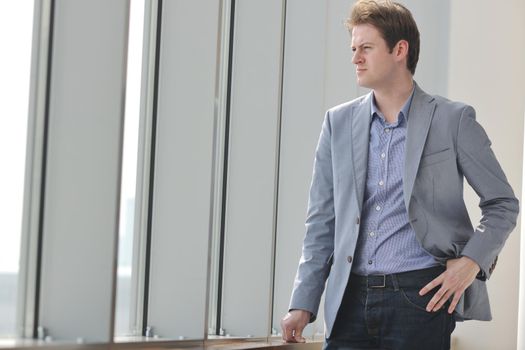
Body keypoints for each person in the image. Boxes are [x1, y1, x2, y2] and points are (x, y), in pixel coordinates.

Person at [280, 1, 519, 349]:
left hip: (421, 298)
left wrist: (471, 263)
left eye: (366, 48)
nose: (355, 58)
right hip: (349, 300)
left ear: (399, 50)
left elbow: (502, 203)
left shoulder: (453, 120)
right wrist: (302, 301)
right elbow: (321, 221)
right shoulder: (338, 123)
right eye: (352, 49)